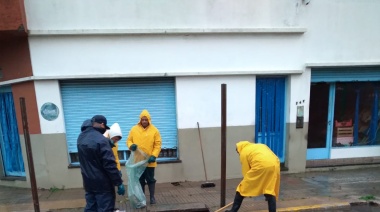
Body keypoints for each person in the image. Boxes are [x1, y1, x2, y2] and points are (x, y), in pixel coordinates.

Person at [78, 115, 125, 211]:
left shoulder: (81, 137)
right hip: (103, 185)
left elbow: (92, 149)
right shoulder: (102, 141)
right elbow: (109, 165)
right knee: (105, 208)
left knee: (91, 208)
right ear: (102, 125)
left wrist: (107, 142)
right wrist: (118, 182)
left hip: (88, 182)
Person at [226, 141, 280, 212]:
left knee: (241, 188)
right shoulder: (260, 145)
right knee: (269, 190)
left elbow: (246, 172)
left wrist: (247, 189)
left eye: (238, 152)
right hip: (275, 165)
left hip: (261, 166)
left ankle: (233, 210)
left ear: (239, 149)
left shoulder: (243, 153)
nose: (238, 154)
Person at [127, 109, 162, 205]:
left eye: (146, 120)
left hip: (150, 161)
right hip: (138, 161)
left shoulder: (154, 130)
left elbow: (157, 145)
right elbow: (129, 140)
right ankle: (141, 198)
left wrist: (154, 156)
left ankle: (152, 197)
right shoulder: (134, 129)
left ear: (149, 120)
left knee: (150, 179)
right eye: (143, 119)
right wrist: (131, 146)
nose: (144, 121)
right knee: (140, 180)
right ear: (140, 120)